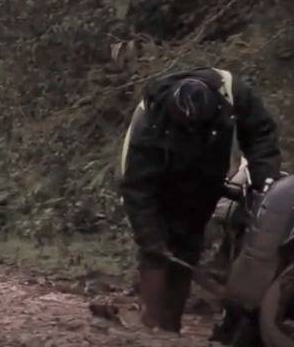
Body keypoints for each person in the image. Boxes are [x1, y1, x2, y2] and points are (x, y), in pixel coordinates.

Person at [120, 67, 282, 334]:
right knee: (156, 251)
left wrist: (265, 180)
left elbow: (260, 133)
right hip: (161, 183)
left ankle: (171, 327)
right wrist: (150, 236)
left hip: (204, 181)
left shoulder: (230, 92)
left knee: (187, 247)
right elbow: (136, 188)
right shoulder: (149, 119)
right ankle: (150, 326)